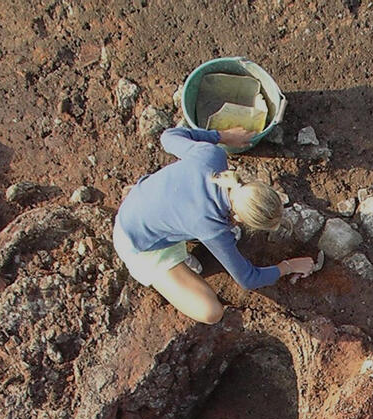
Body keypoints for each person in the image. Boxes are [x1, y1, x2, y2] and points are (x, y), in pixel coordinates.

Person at [113, 125, 317, 323]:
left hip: (141, 203)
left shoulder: (212, 156)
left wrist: (223, 136)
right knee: (211, 312)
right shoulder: (213, 228)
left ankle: (180, 241)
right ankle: (175, 263)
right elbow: (248, 279)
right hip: (138, 245)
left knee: (216, 230)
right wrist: (288, 266)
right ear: (239, 218)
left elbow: (169, 136)